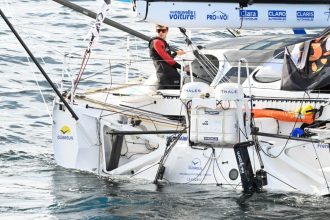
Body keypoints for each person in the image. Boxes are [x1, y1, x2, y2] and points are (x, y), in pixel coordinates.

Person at [149, 25, 188, 89]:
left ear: (167, 31)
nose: (161, 32)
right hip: (166, 75)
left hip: (169, 74)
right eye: (159, 31)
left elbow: (166, 57)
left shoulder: (162, 42)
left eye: (163, 31)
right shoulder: (157, 42)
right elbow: (168, 60)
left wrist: (176, 53)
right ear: (156, 31)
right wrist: (183, 68)